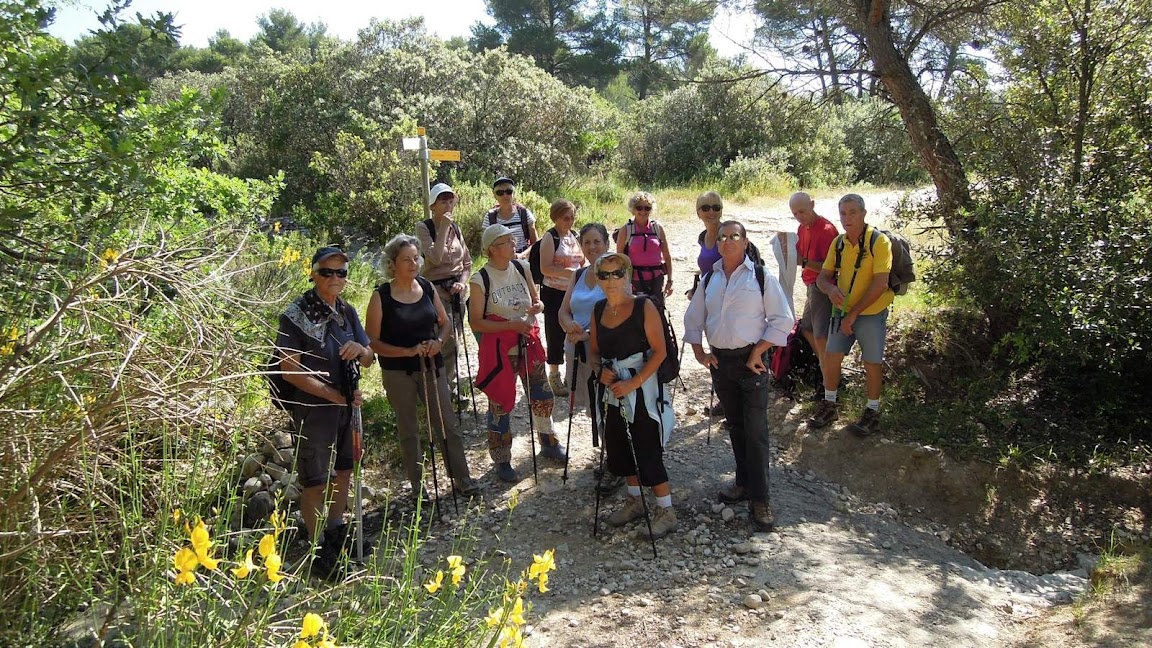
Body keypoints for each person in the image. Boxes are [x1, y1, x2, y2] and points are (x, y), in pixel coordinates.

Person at [683, 222, 794, 531]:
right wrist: (699, 354)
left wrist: (759, 352)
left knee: (756, 430)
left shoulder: (760, 276)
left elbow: (783, 319)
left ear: (745, 242)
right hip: (721, 363)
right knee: (735, 425)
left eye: (734, 236)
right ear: (717, 244)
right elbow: (693, 319)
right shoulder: (709, 279)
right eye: (723, 237)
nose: (728, 241)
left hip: (752, 363)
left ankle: (761, 499)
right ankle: (743, 484)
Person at [275, 246, 374, 577]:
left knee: (344, 470)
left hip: (346, 405)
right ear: (314, 273)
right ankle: (319, 549)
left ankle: (336, 532)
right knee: (316, 480)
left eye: (341, 272)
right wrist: (333, 396)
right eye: (327, 271)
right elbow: (289, 371)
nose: (335, 278)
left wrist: (362, 350)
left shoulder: (346, 311)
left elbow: (368, 355)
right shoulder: (294, 314)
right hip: (311, 409)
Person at [365, 235, 480, 505]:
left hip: (431, 365)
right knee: (409, 429)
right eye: (407, 259)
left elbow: (445, 322)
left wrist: (439, 343)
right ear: (393, 264)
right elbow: (372, 341)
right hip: (397, 372)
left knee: (446, 423)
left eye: (416, 258)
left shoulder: (427, 287)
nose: (414, 263)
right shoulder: (381, 296)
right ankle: (418, 487)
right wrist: (405, 352)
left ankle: (462, 478)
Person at [590, 252, 678, 539]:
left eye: (617, 273)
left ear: (626, 275)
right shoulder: (598, 309)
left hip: (642, 388)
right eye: (605, 275)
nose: (612, 280)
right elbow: (594, 352)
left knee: (646, 442)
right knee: (617, 442)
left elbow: (660, 351)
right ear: (598, 279)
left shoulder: (644, 306)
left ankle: (666, 510)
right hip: (614, 388)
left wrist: (635, 382)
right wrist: (600, 371)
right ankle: (635, 499)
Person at [469, 224, 566, 483]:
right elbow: (476, 322)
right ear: (492, 249)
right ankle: (501, 458)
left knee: (542, 395)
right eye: (508, 242)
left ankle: (549, 441)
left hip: (529, 343)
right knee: (500, 403)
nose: (515, 245)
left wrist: (538, 306)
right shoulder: (480, 280)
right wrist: (510, 324)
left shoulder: (522, 268)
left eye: (513, 241)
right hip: (501, 353)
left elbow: (537, 300)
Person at [809, 194, 894, 437]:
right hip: (843, 311)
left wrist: (853, 314)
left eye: (853, 212)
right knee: (832, 356)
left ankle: (872, 411)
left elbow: (880, 284)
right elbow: (822, 277)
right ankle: (830, 404)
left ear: (864, 213)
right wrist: (831, 289)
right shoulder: (838, 243)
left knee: (872, 361)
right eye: (843, 213)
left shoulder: (879, 242)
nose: (847, 218)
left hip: (870, 312)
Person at [558, 223, 625, 494]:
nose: (592, 247)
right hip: (578, 350)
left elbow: (621, 313)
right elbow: (563, 311)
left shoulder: (616, 273)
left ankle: (617, 463)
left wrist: (588, 334)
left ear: (607, 243)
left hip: (606, 351)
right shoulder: (578, 275)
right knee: (593, 406)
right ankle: (611, 458)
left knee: (609, 405)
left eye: (597, 241)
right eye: (587, 242)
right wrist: (569, 327)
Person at [416, 183, 471, 403]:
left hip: (457, 292)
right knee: (446, 341)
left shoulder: (456, 228)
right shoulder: (424, 228)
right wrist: (443, 229)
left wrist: (463, 283)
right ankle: (442, 390)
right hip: (435, 294)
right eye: (443, 201)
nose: (448, 205)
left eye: (451, 201)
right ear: (433, 206)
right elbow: (435, 258)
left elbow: (467, 263)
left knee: (455, 340)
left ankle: (450, 387)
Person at [790, 191, 840, 401]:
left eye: (802, 211)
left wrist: (802, 261)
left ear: (812, 204)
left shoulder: (827, 230)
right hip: (810, 284)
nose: (799, 216)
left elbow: (833, 267)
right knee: (806, 328)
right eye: (795, 213)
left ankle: (830, 380)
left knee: (821, 335)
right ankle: (826, 369)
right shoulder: (802, 228)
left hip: (823, 285)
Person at [537, 199, 584, 397]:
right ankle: (554, 374)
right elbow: (545, 268)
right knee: (555, 332)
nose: (570, 221)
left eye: (572, 217)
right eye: (566, 218)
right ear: (556, 217)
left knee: (573, 328)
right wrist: (569, 273)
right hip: (554, 292)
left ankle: (571, 374)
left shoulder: (574, 236)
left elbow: (582, 259)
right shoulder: (550, 237)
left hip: (573, 291)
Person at [615, 191, 673, 307]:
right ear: (633, 209)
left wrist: (670, 280)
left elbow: (667, 256)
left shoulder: (657, 228)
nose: (643, 211)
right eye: (639, 208)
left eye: (647, 208)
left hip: (656, 278)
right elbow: (620, 258)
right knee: (636, 312)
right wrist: (622, 282)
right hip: (634, 280)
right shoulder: (626, 230)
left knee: (657, 311)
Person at [483, 177, 538, 258]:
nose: (505, 195)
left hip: (523, 261)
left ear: (513, 193)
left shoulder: (524, 214)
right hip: (500, 263)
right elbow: (486, 246)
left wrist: (521, 256)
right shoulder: (489, 217)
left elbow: (535, 243)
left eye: (509, 191)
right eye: (500, 193)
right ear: (494, 196)